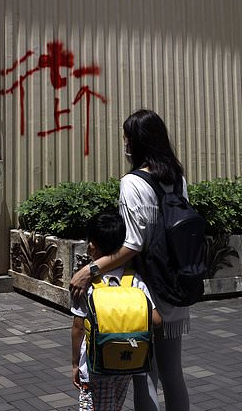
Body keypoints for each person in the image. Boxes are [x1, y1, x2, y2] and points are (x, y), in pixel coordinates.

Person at [69, 109, 191, 411]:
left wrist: (90, 270)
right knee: (173, 374)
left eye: (127, 139)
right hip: (177, 284)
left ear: (136, 143)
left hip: (145, 289)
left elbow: (133, 245)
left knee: (143, 375)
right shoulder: (177, 179)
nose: (125, 145)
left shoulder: (133, 183)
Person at [71, 212, 162, 411]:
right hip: (126, 362)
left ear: (91, 247)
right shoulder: (134, 280)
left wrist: (75, 364)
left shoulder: (86, 283)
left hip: (95, 367)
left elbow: (78, 328)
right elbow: (156, 320)